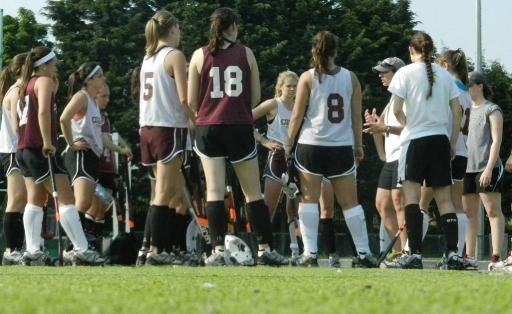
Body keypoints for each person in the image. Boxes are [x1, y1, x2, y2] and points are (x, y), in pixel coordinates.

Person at [188, 7, 288, 266]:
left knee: (214, 191)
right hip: (238, 125)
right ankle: (264, 248)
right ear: (231, 27)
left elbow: (190, 100)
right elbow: (254, 97)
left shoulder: (199, 55)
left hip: (208, 126)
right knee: (252, 193)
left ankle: (218, 250)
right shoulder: (246, 53)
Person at [287, 31, 377, 267]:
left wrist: (287, 144)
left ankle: (310, 254)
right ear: (335, 51)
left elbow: (297, 115)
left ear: (314, 50)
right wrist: (358, 145)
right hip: (341, 146)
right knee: (350, 203)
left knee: (308, 200)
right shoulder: (351, 78)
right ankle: (364, 253)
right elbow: (356, 117)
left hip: (311, 145)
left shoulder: (306, 77)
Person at [16, 47, 104, 265]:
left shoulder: (27, 83)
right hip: (39, 147)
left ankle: (33, 251)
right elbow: (44, 112)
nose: (56, 67)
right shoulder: (43, 81)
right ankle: (82, 249)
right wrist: (47, 141)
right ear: (44, 65)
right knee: (67, 199)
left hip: (25, 148)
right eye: (53, 63)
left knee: (35, 200)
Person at [385, 32, 462, 269]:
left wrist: (408, 123)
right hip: (440, 140)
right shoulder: (445, 75)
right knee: (445, 200)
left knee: (412, 198)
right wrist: (451, 141)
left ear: (411, 50)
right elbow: (458, 111)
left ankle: (414, 254)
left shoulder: (404, 73)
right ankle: (452, 255)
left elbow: (396, 109)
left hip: (415, 142)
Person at [139, 10, 191, 265]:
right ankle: (156, 251)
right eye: (179, 30)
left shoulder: (148, 58)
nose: (180, 35)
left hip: (147, 128)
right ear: (171, 30)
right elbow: (184, 99)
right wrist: (197, 121)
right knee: (163, 193)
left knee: (168, 194)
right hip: (168, 128)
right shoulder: (175, 55)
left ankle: (153, 247)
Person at [415, 49, 472, 268]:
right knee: (457, 204)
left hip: (444, 150)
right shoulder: (466, 91)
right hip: (462, 152)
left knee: (423, 202)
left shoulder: (448, 89)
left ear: (445, 66)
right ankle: (454, 253)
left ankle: (413, 251)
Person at [252, 70, 301, 258]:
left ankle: (296, 251)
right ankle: (264, 249)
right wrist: (263, 141)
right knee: (268, 207)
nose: (292, 89)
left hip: (296, 158)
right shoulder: (273, 104)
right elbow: (245, 119)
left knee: (295, 208)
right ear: (280, 87)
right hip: (277, 157)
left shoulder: (301, 105)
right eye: (288, 86)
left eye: (295, 86)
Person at [463, 71, 509, 272]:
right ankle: (469, 257)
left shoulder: (492, 109)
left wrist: (489, 168)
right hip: (467, 168)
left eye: (469, 84)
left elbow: (496, 140)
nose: (467, 88)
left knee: (492, 211)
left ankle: (496, 256)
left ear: (480, 85)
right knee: (469, 214)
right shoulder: (465, 111)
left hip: (487, 167)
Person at [363, 57, 407, 257]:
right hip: (391, 160)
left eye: (385, 72)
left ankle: (407, 252)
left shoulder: (406, 97)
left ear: (398, 73)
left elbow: (410, 129)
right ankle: (397, 253)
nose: (380, 75)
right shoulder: (391, 101)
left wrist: (384, 127)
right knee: (381, 203)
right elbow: (382, 129)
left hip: (404, 156)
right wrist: (375, 125)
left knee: (399, 203)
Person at [60, 62, 107, 249]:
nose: (104, 78)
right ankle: (73, 248)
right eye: (100, 75)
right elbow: (64, 118)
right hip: (81, 155)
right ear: (90, 80)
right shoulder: (82, 97)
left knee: (85, 203)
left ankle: (77, 247)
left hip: (91, 156)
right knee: (81, 202)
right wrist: (71, 143)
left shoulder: (93, 100)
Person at [85, 84, 132, 241]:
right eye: (103, 96)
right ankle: (84, 239)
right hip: (95, 167)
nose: (107, 100)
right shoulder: (90, 114)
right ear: (95, 96)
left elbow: (107, 140)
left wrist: (118, 156)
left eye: (108, 96)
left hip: (108, 168)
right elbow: (104, 140)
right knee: (94, 205)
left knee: (103, 208)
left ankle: (96, 240)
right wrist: (121, 150)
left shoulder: (105, 118)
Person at [0, 53, 28, 265]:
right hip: (12, 150)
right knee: (16, 199)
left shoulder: (19, 90)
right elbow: (18, 126)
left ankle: (19, 247)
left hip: (16, 149)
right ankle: (11, 250)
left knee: (24, 200)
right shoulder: (16, 91)